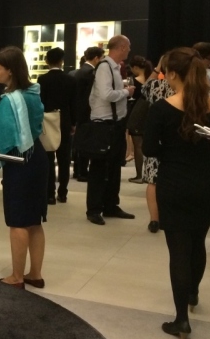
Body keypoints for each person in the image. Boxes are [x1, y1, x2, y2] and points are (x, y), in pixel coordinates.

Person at [143, 47, 210, 339]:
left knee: (178, 250)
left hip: (174, 184)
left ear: (174, 75)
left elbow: (150, 150)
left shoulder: (162, 109)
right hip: (206, 183)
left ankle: (181, 319)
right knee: (197, 243)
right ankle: (192, 292)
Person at [0, 46, 48, 289]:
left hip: (19, 162)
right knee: (35, 220)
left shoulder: (10, 100)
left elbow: (4, 136)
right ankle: (35, 274)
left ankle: (17, 277)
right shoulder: (32, 92)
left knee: (18, 221)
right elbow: (31, 122)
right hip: (38, 158)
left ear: (10, 71)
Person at [85, 35, 136, 226]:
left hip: (114, 124)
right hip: (103, 124)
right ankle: (94, 209)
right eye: (128, 46)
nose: (129, 50)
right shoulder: (105, 67)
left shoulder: (114, 67)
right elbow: (106, 94)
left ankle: (111, 205)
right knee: (99, 168)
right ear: (122, 47)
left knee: (114, 167)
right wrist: (126, 92)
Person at [37, 47, 76, 204]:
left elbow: (40, 102)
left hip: (47, 120)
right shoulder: (70, 80)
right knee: (64, 158)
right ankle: (63, 192)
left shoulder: (42, 80)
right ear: (62, 61)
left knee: (48, 157)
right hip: (65, 120)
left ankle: (50, 193)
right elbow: (74, 103)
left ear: (47, 61)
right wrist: (73, 122)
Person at [140, 54, 173, 233]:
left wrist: (157, 67)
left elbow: (144, 89)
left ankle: (154, 219)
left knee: (153, 181)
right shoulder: (187, 88)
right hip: (176, 139)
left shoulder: (156, 86)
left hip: (155, 136)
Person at [72, 46, 104, 182]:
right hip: (87, 111)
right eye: (101, 58)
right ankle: (83, 172)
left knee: (79, 141)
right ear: (96, 58)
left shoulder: (79, 71)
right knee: (86, 142)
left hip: (78, 111)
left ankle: (78, 170)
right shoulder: (91, 72)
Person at [125, 55, 152, 183]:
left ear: (135, 67)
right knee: (147, 144)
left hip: (137, 114)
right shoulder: (152, 80)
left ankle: (139, 175)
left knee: (138, 146)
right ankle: (148, 173)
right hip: (150, 114)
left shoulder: (134, 81)